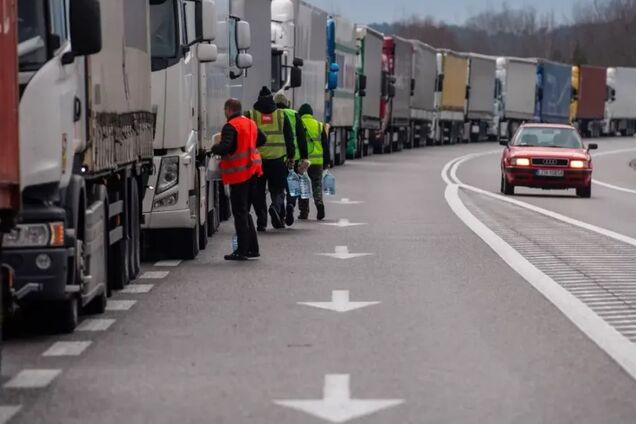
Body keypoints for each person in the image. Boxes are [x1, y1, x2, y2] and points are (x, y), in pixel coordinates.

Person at [212, 98, 264, 261]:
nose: (224, 113)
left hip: (239, 174)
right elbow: (262, 139)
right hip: (253, 172)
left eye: (224, 110)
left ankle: (242, 250)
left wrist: (214, 148)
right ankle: (253, 248)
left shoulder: (231, 126)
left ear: (229, 109)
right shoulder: (250, 123)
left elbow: (226, 146)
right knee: (245, 212)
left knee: (240, 213)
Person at [248, 87, 295, 231]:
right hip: (277, 160)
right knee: (278, 189)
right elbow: (289, 137)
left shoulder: (252, 115)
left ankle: (261, 220)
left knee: (258, 192)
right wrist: (291, 156)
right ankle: (275, 208)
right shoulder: (280, 115)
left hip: (258, 161)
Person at [274, 92, 309, 227]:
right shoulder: (294, 114)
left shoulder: (273, 114)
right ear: (287, 102)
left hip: (277, 156)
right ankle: (290, 204)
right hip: (293, 157)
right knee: (292, 185)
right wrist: (305, 156)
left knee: (278, 186)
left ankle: (280, 211)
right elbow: (301, 137)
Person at [298, 103, 331, 221]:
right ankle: (319, 203)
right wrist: (327, 161)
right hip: (317, 161)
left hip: (303, 161)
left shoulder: (299, 123)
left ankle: (304, 212)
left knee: (303, 186)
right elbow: (325, 145)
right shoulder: (319, 125)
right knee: (317, 184)